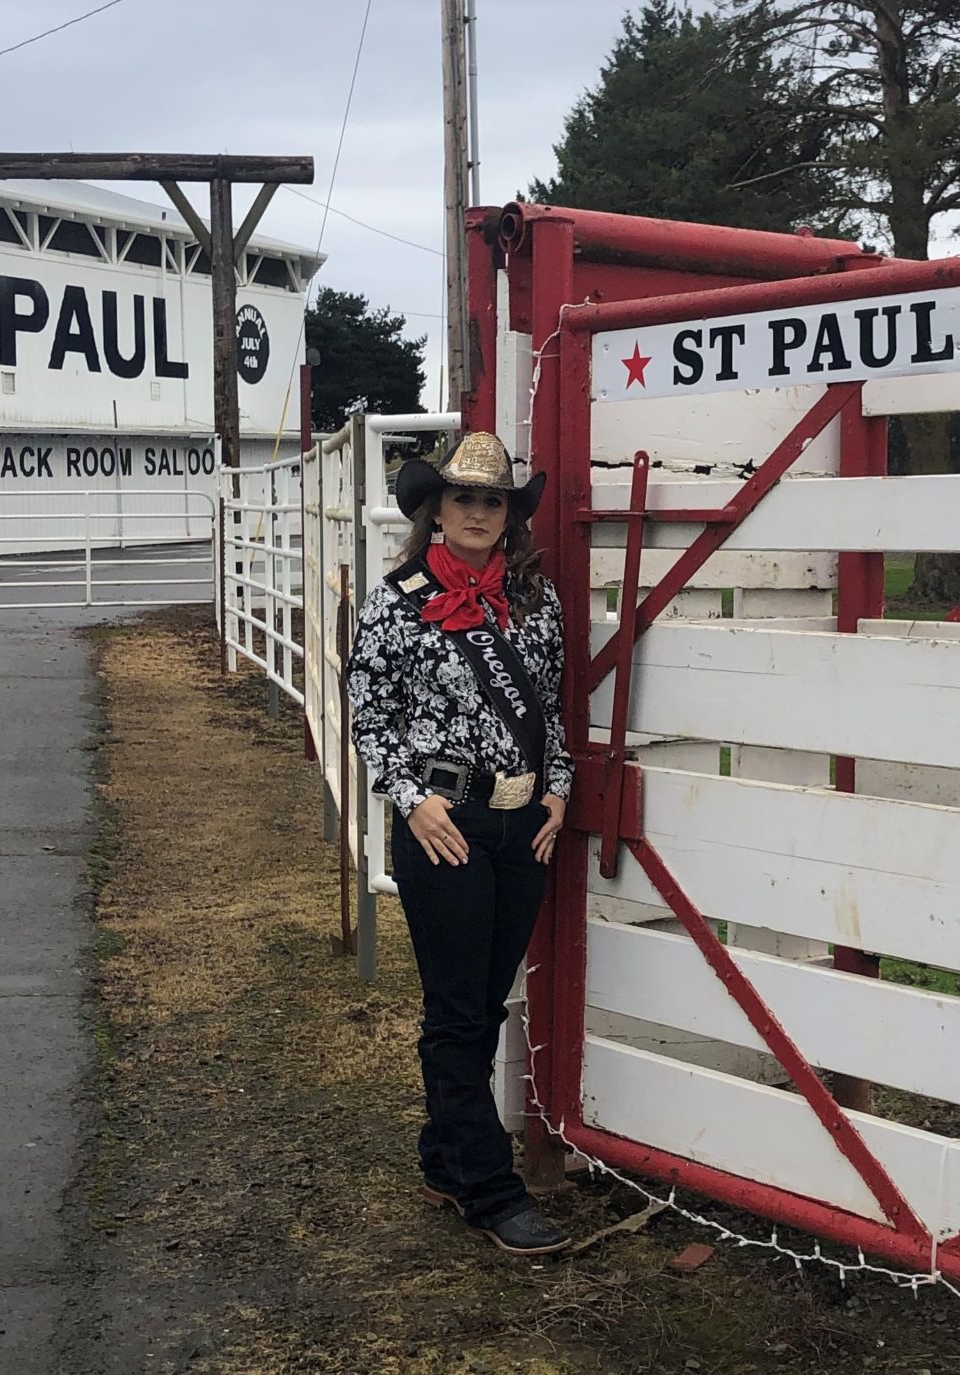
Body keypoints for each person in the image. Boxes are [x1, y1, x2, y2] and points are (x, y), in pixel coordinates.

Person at [346, 431, 573, 1257]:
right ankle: (489, 1186)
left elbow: (550, 705)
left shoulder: (534, 601)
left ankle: (444, 1156)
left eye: (494, 500)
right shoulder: (397, 600)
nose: (479, 511)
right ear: (435, 510)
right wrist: (411, 802)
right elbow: (369, 714)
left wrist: (558, 787)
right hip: (444, 823)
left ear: (510, 514)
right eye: (464, 498)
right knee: (453, 1008)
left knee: (483, 1002)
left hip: (522, 823)